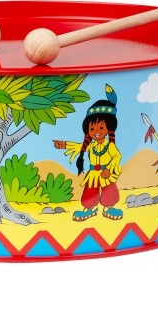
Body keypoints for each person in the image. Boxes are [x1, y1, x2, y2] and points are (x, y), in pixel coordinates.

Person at [54, 84, 123, 221]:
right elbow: (79, 147)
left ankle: (109, 207)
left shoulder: (110, 146)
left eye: (101, 128)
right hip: (93, 174)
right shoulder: (91, 146)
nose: (96, 132)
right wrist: (65, 145)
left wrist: (109, 169)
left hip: (106, 172)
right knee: (90, 191)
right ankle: (89, 208)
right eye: (92, 129)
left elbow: (117, 156)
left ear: (108, 128)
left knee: (109, 190)